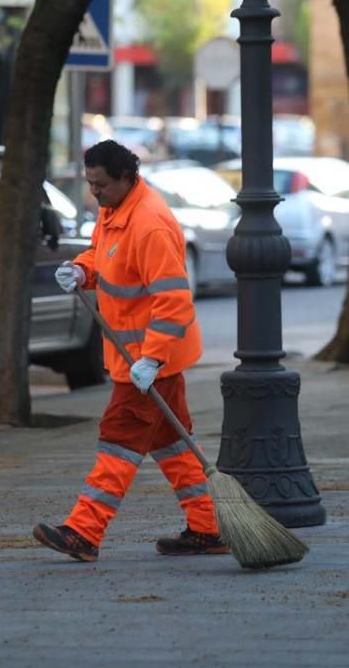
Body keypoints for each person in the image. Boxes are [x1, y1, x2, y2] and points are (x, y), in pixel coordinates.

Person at [32, 140, 226, 562]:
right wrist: (83, 269)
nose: (93, 192)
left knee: (118, 441)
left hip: (150, 360)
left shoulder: (151, 224)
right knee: (174, 448)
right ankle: (207, 528)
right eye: (89, 184)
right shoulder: (115, 211)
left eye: (100, 184)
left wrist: (153, 358)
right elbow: (106, 256)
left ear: (125, 178)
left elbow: (173, 301)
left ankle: (84, 530)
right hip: (138, 358)